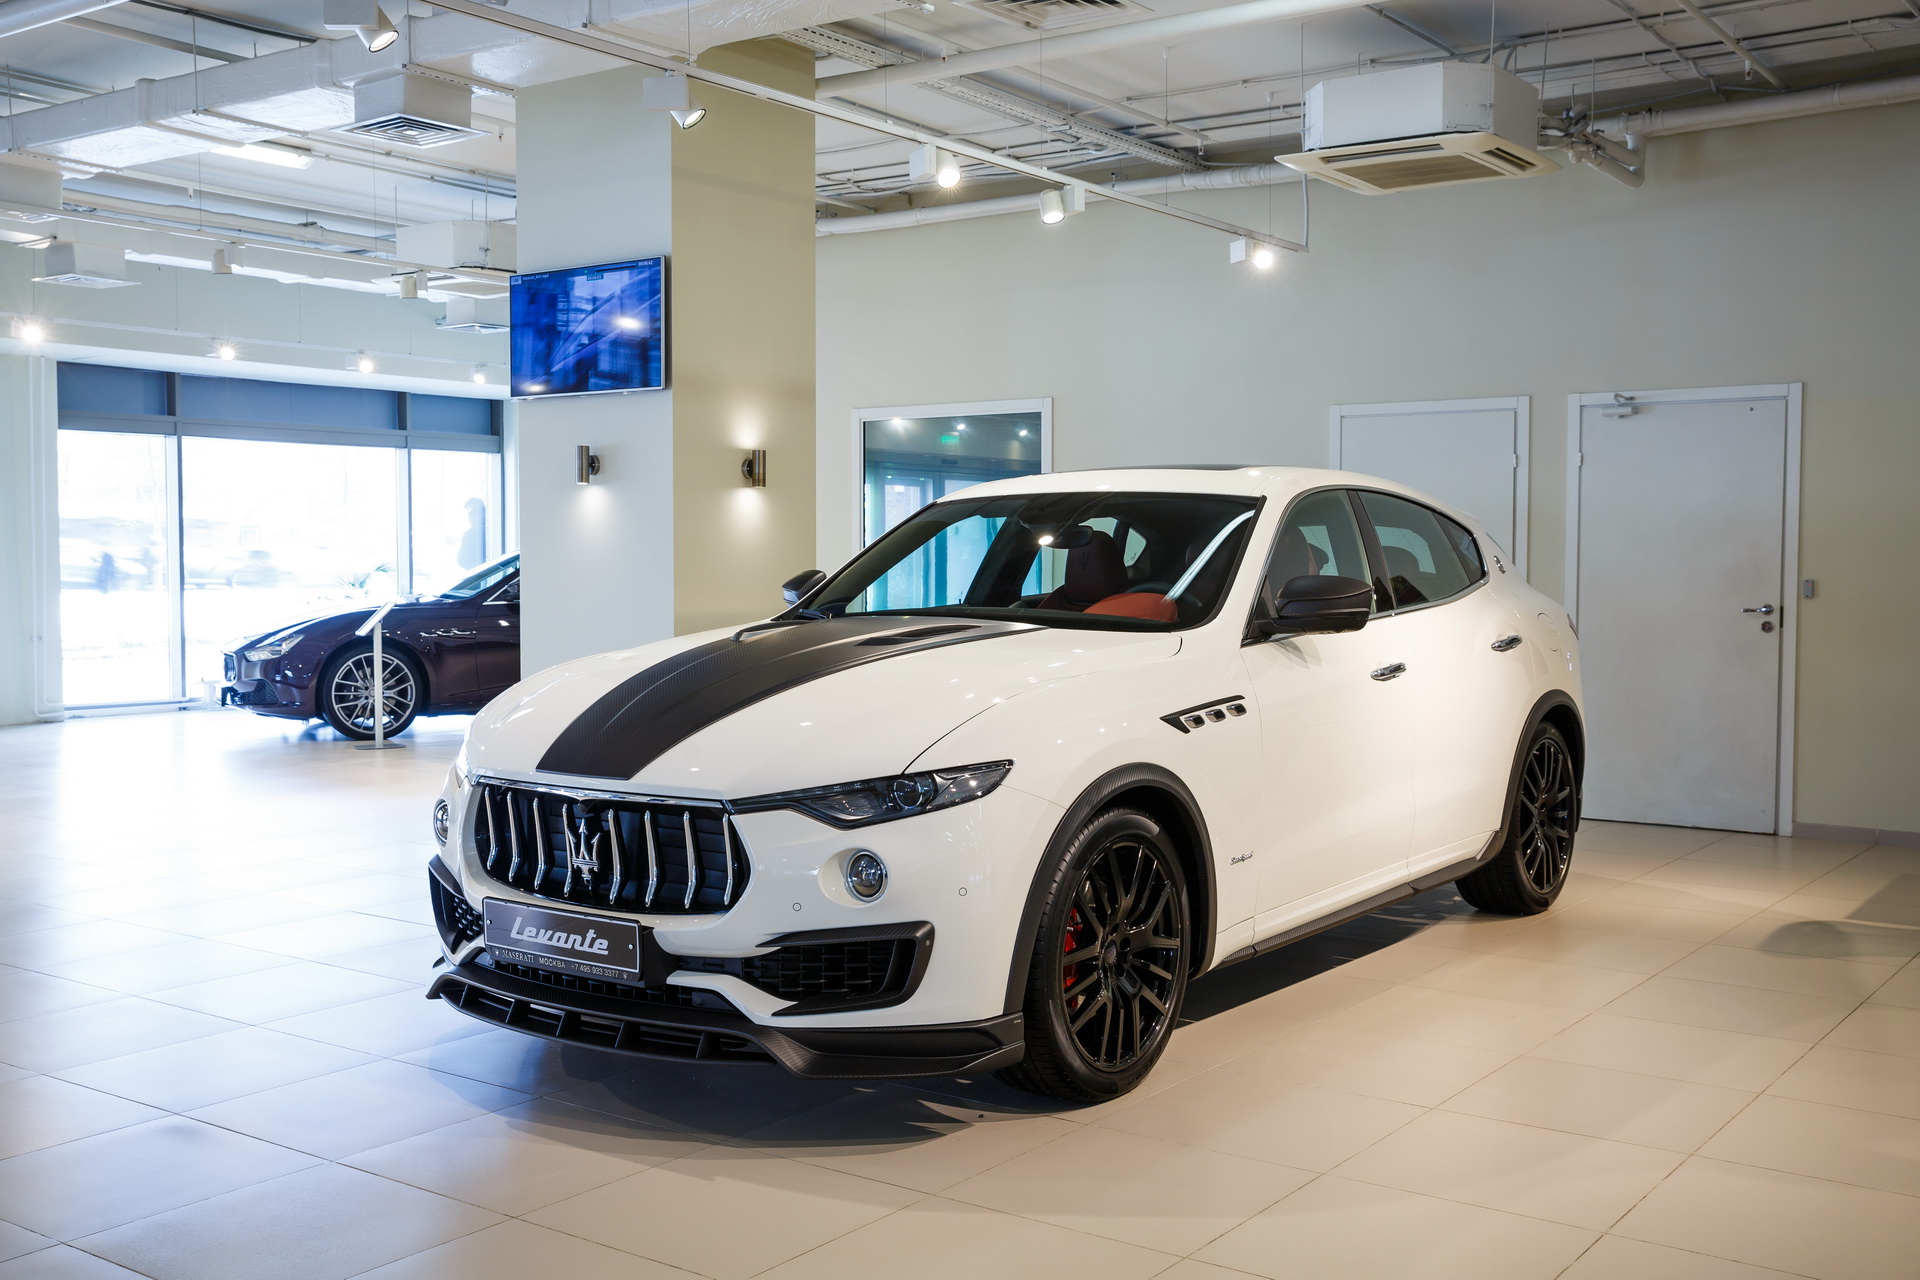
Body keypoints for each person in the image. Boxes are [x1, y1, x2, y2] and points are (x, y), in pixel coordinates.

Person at [456, 498, 488, 570]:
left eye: (469, 512)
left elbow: (463, 560)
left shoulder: (470, 533)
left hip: (476, 575)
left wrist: (458, 556)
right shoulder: (492, 531)